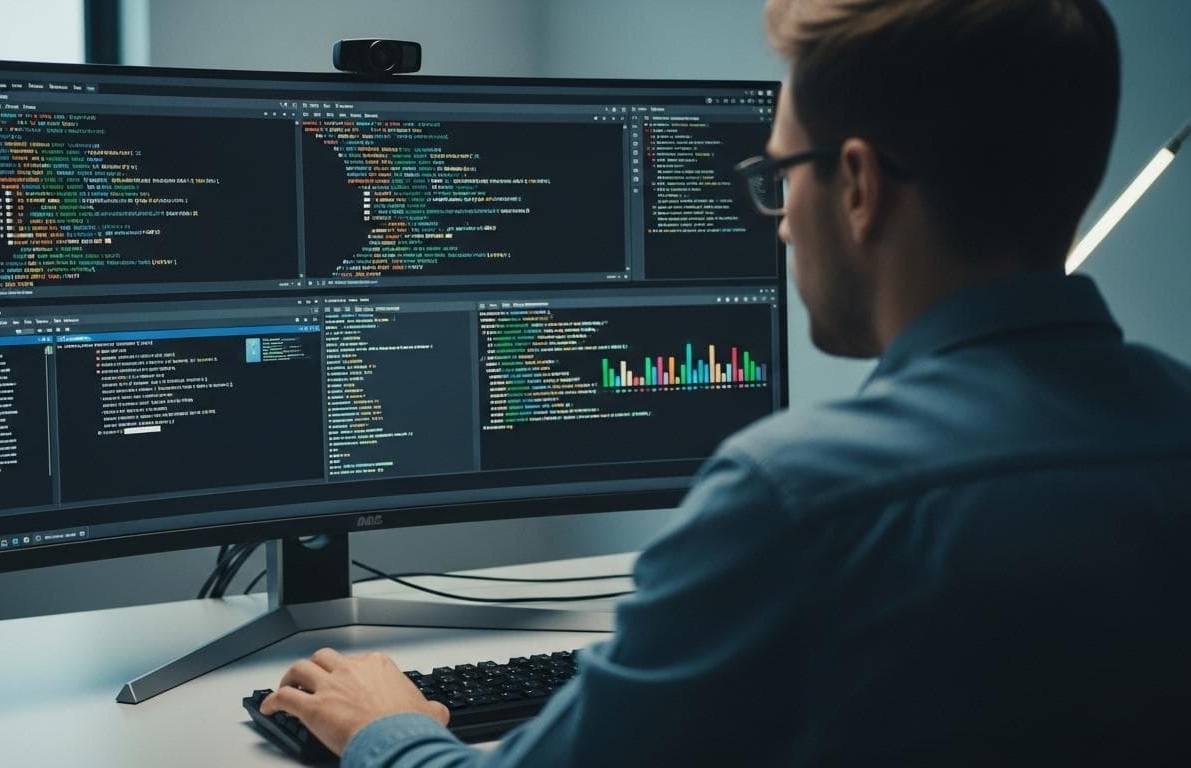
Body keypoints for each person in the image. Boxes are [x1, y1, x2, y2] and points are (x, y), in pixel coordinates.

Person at [261, 0, 1191, 763]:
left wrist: (387, 726)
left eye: (779, 176)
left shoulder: (799, 499)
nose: (778, 223)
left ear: (858, 186)